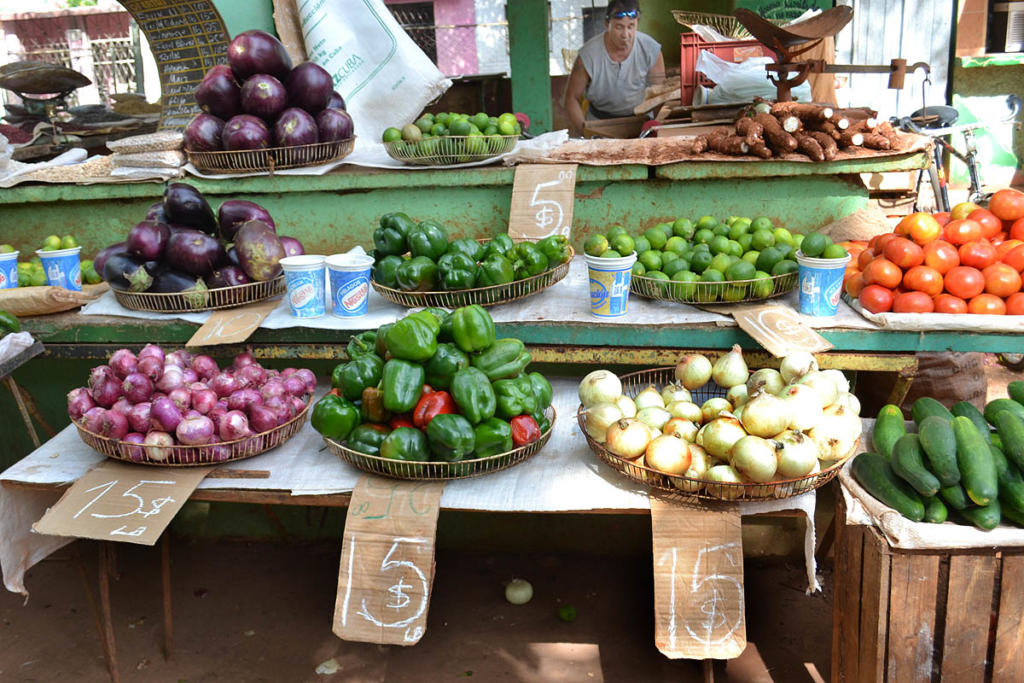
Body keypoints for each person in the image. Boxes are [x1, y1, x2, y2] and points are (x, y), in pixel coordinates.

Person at [563, 0, 666, 138]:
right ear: (607, 25)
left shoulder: (651, 50)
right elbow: (571, 98)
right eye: (619, 27)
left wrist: (657, 128)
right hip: (599, 125)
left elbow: (660, 95)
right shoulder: (588, 55)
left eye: (631, 26)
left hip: (641, 124)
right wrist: (586, 132)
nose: (625, 34)